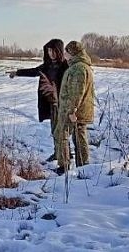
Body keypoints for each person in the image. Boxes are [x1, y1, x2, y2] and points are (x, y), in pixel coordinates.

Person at [8, 39, 68, 160]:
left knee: (61, 133)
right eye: (49, 50)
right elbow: (34, 71)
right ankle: (58, 153)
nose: (51, 53)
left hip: (62, 104)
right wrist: (17, 72)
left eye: (53, 50)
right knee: (54, 130)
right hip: (51, 103)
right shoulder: (47, 65)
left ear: (59, 51)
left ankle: (64, 157)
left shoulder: (65, 66)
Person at [53, 40, 95, 175]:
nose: (64, 54)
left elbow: (77, 91)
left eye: (67, 51)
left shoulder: (78, 68)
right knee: (79, 136)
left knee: (62, 135)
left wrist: (72, 110)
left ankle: (64, 166)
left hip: (72, 111)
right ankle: (83, 166)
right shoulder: (80, 66)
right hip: (78, 110)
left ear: (73, 53)